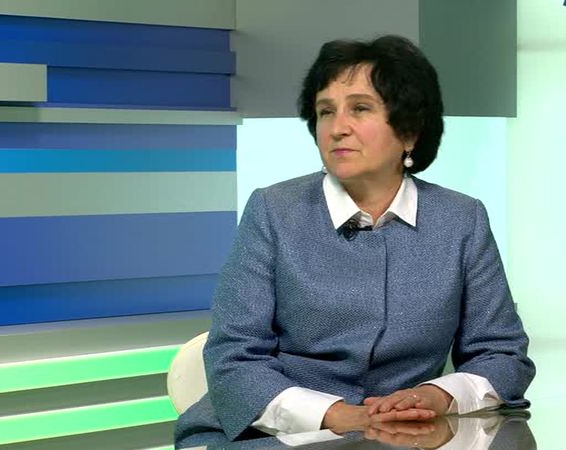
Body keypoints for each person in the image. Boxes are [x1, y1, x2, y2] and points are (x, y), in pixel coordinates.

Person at [175, 35, 535, 445]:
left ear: (410, 131)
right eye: (326, 112)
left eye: (360, 109)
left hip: (403, 436)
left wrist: (436, 396)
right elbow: (234, 357)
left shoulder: (461, 219)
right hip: (266, 435)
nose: (337, 128)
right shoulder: (273, 211)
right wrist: (341, 416)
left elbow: (502, 354)